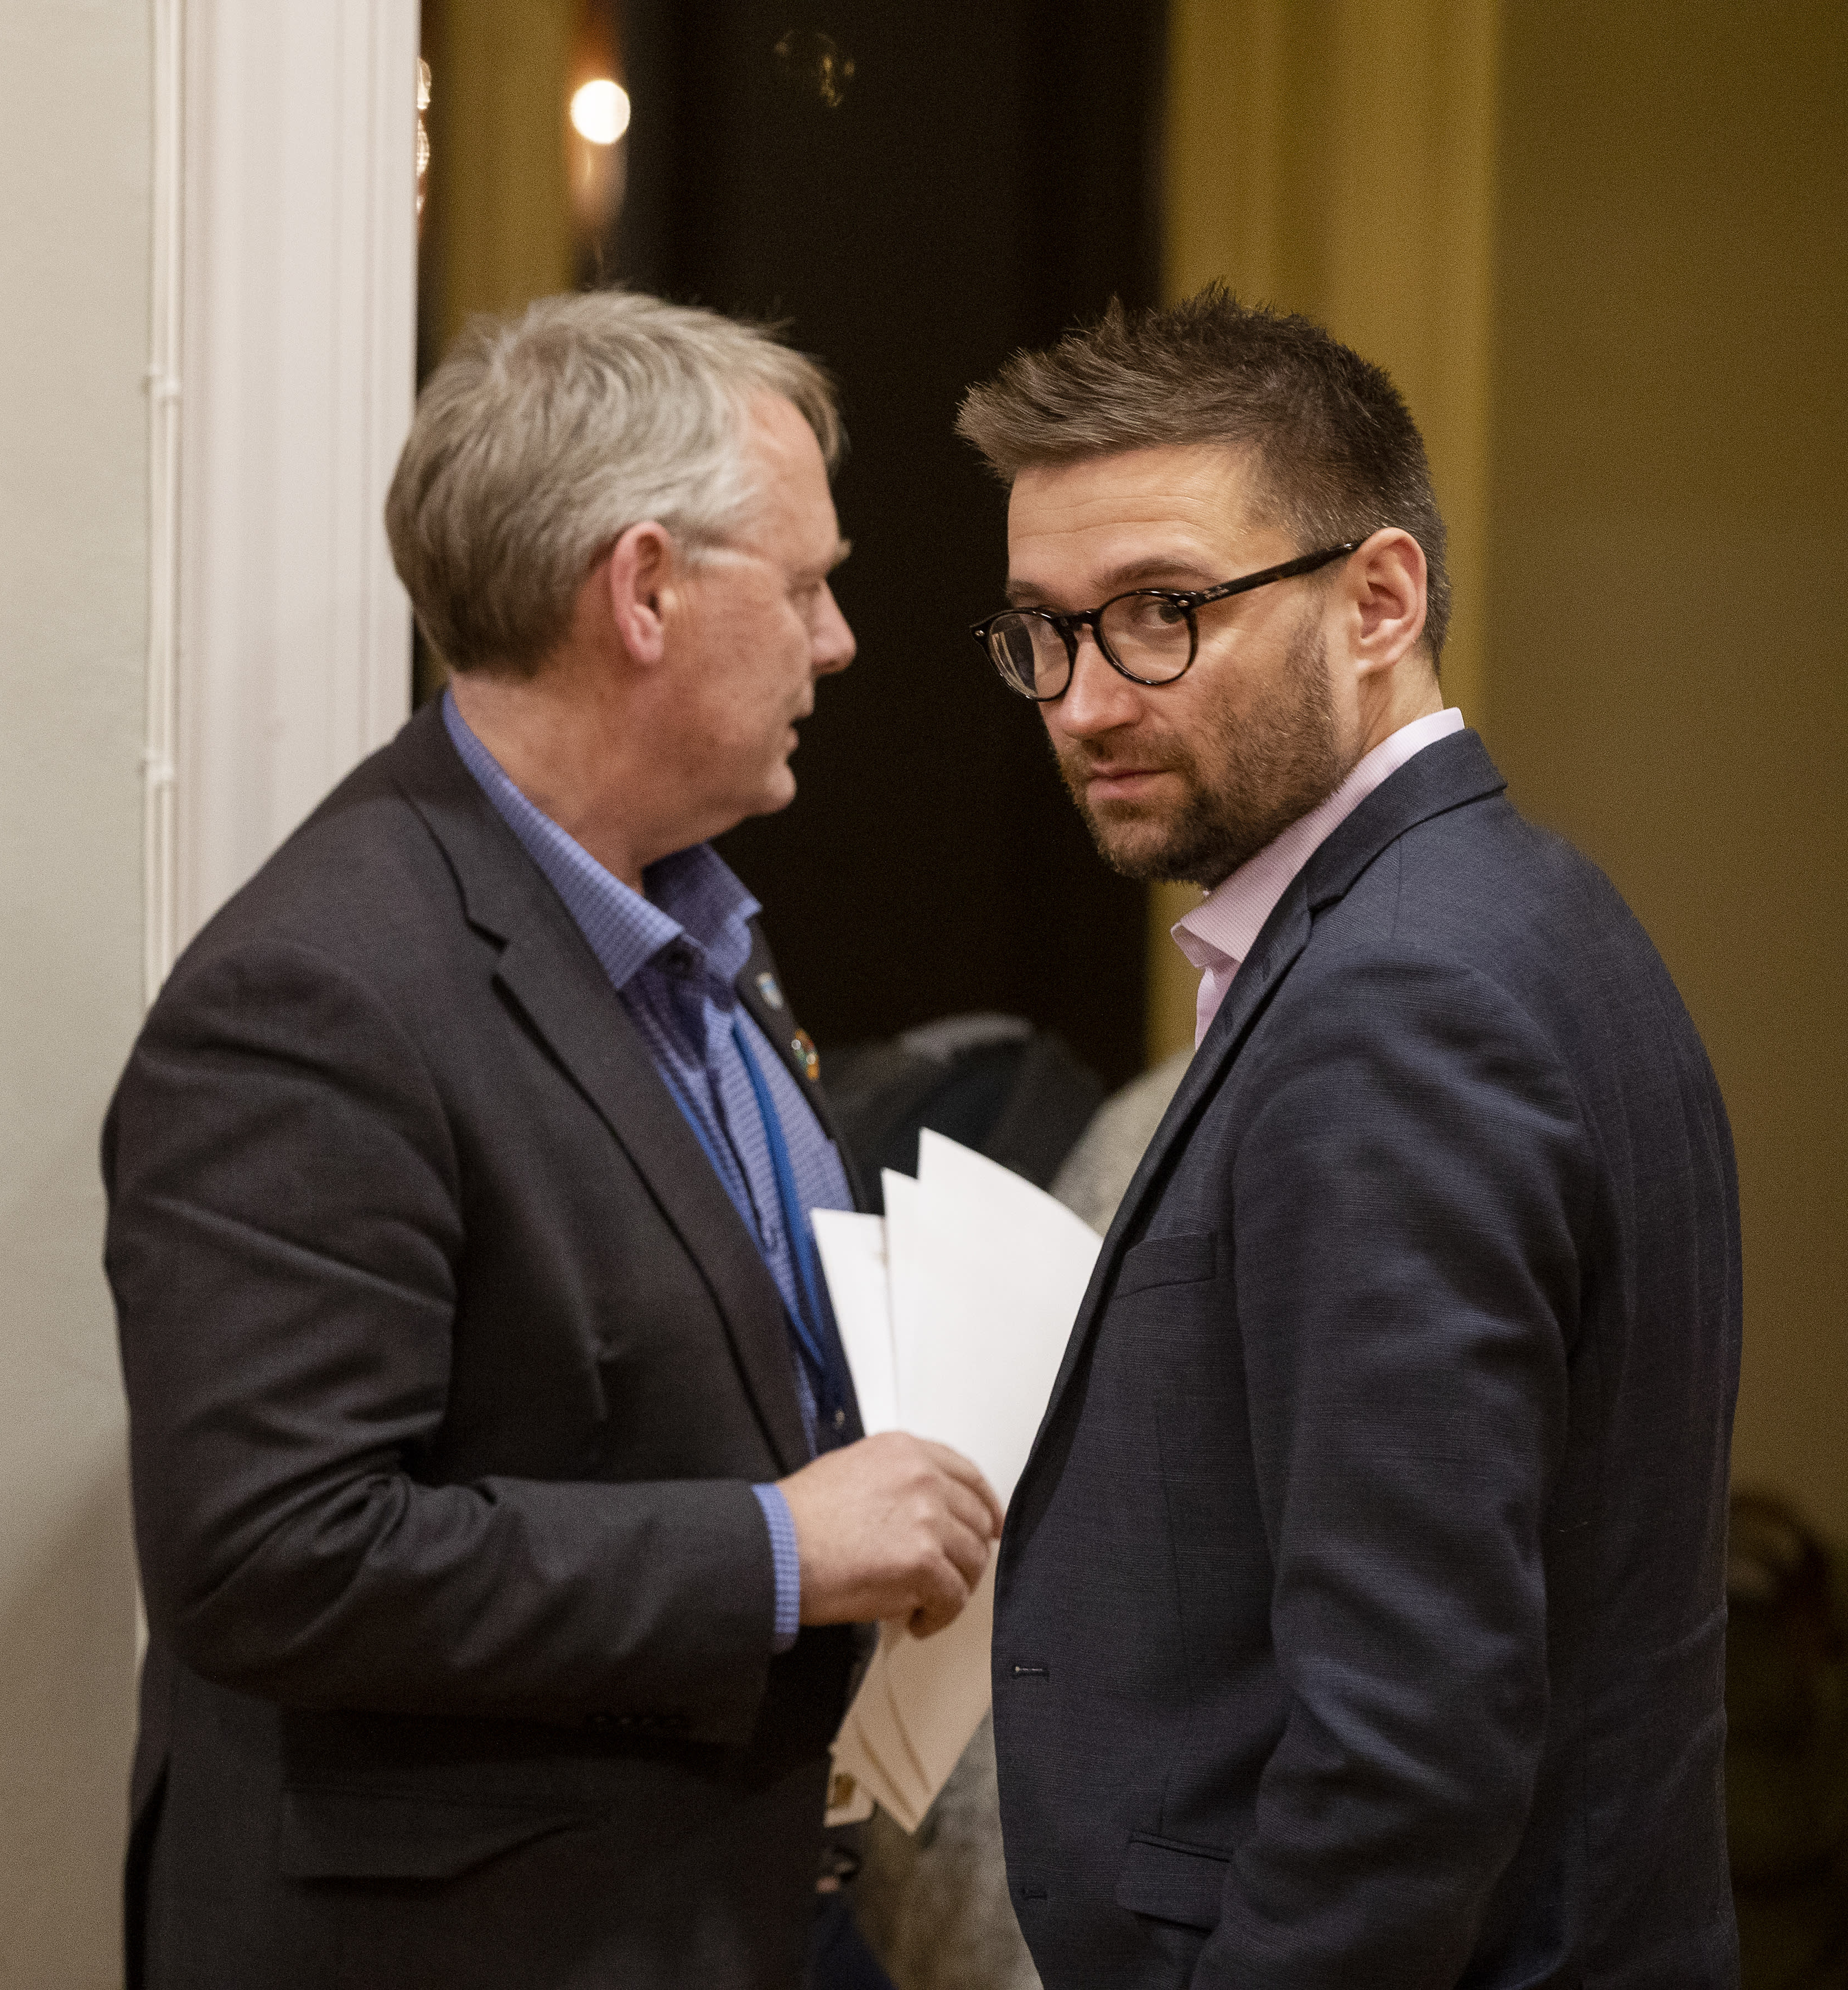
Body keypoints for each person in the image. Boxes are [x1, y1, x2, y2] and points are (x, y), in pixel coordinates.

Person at [104, 290, 1002, 1989]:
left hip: (715, 1904)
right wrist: (780, 1552)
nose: (837, 642)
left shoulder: (691, 921)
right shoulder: (317, 993)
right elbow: (275, 1559)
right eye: (804, 585)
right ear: (643, 589)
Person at [960, 287, 1740, 1984]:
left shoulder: (1398, 1004)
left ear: (1380, 599)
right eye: (1043, 634)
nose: (1084, 703)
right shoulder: (1522, 898)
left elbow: (1406, 1750)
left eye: (1161, 613)